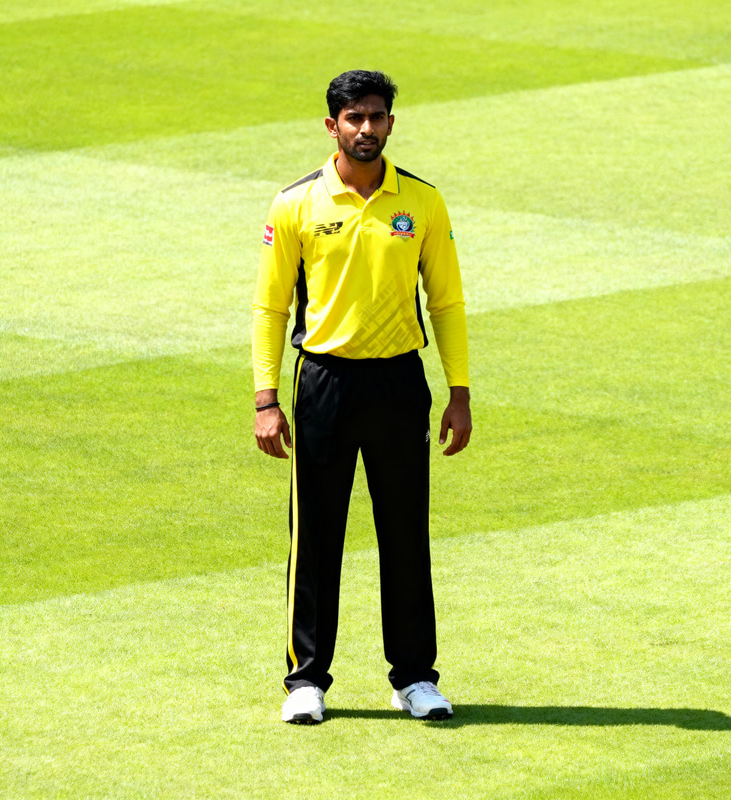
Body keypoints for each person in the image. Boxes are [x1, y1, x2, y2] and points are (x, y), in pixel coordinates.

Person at [252, 70, 471, 724]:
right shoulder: (295, 204)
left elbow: (448, 301)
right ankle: (306, 679)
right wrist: (266, 398)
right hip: (322, 380)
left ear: (391, 125)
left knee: (405, 531)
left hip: (401, 382)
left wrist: (458, 391)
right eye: (354, 118)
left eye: (377, 117)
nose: (366, 129)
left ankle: (414, 678)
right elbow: (269, 306)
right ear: (332, 126)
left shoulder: (423, 203)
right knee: (315, 533)